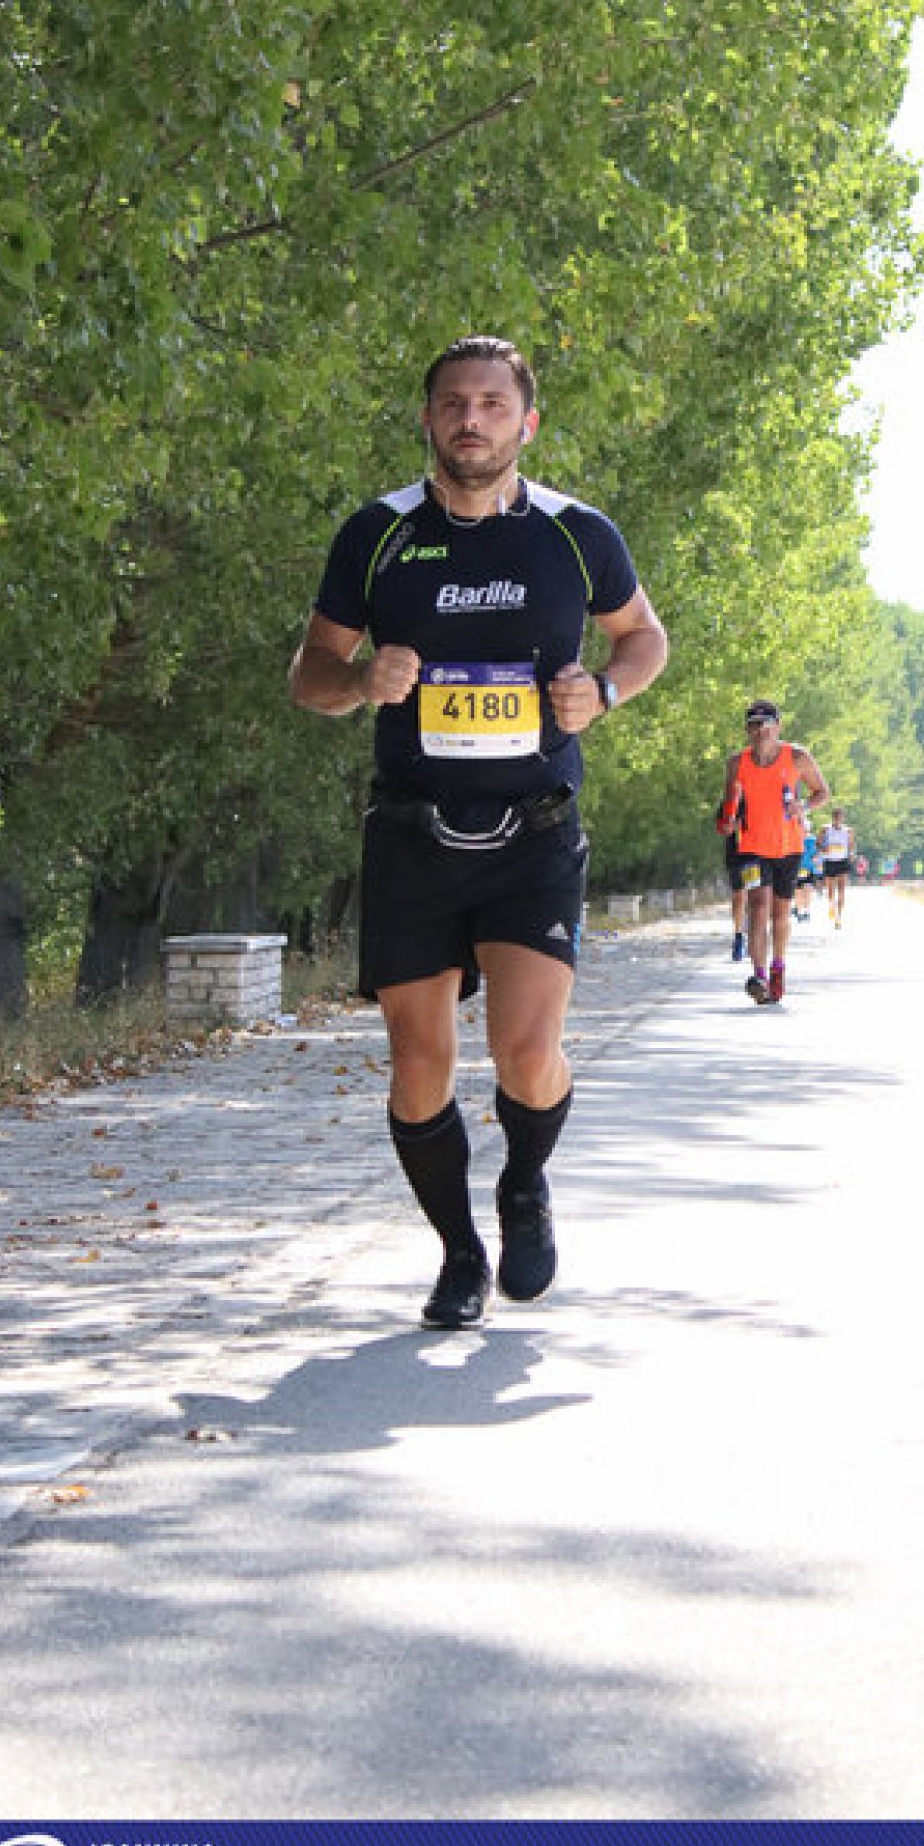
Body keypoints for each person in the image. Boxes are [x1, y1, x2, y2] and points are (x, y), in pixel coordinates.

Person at [290, 335, 668, 1329]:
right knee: (420, 1067)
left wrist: (605, 692)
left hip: (532, 833)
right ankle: (459, 1255)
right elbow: (310, 674)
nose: (472, 419)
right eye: (454, 402)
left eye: (493, 404)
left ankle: (524, 1183)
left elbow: (643, 636)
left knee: (527, 1054)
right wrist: (358, 681)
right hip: (412, 835)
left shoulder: (575, 534)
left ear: (525, 423)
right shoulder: (376, 534)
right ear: (427, 419)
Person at [717, 700, 829, 1003]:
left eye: (766, 725)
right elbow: (730, 804)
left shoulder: (797, 757)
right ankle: (759, 976)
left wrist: (803, 806)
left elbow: (823, 792)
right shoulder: (737, 763)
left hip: (788, 846)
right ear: (747, 730)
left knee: (780, 912)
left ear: (778, 727)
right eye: (753, 726)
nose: (760, 731)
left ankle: (777, 966)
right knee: (757, 907)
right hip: (751, 848)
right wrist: (728, 821)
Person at [716, 801, 748, 959]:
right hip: (736, 855)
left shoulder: (762, 797)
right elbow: (721, 827)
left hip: (758, 855)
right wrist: (733, 825)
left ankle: (755, 932)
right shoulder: (730, 802)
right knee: (739, 896)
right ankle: (739, 935)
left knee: (758, 896)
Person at [819, 806, 856, 926]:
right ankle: (832, 908)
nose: (838, 819)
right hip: (829, 861)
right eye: (836, 817)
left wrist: (851, 854)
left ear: (843, 818)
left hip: (843, 861)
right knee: (830, 892)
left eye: (840, 817)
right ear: (832, 817)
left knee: (841, 891)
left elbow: (851, 845)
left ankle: (839, 917)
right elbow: (818, 844)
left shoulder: (849, 831)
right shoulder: (825, 829)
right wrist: (823, 849)